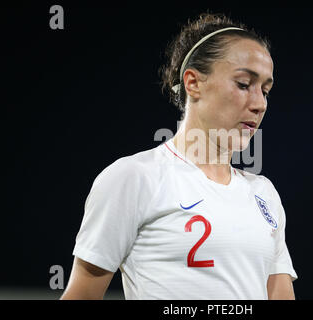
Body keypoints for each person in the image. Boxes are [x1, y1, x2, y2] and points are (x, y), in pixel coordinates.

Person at [61, 12, 297, 300]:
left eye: (266, 90)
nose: (260, 103)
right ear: (193, 83)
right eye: (244, 84)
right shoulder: (134, 177)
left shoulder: (264, 193)